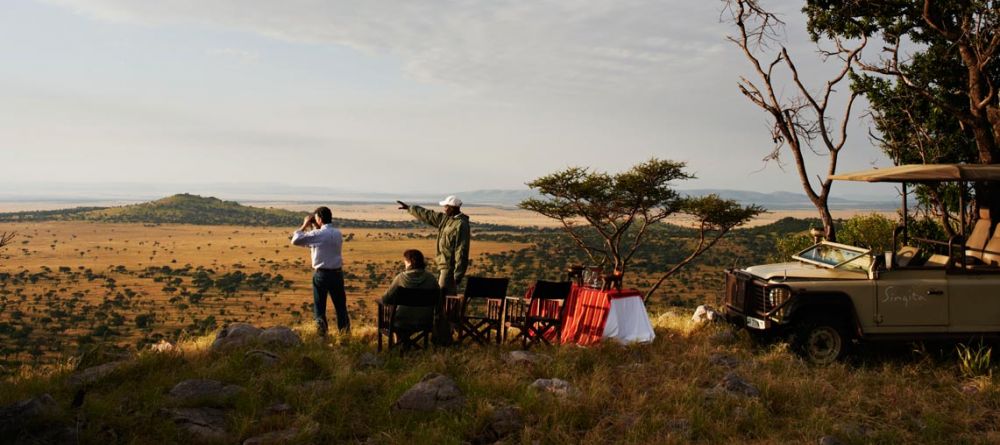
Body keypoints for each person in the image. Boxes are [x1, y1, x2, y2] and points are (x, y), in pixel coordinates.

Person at [291, 206, 349, 336]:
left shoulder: (317, 234)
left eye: (316, 218)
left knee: (319, 308)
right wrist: (315, 227)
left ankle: (322, 336)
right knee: (341, 307)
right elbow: (318, 243)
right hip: (337, 274)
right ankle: (345, 335)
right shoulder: (337, 233)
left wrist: (305, 224)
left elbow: (295, 240)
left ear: (320, 219)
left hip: (322, 275)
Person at [396, 195, 470, 295]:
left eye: (446, 207)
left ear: (452, 208)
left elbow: (461, 250)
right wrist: (411, 208)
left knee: (441, 297)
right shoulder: (446, 220)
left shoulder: (461, 224)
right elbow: (429, 215)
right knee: (445, 296)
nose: (444, 209)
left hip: (449, 269)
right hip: (443, 266)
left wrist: (457, 275)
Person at [380, 249, 439, 330]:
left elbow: (385, 299)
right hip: (425, 321)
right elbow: (439, 299)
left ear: (410, 262)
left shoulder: (401, 277)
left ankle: (400, 342)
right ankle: (405, 342)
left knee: (397, 320)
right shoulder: (431, 278)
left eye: (405, 261)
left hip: (402, 322)